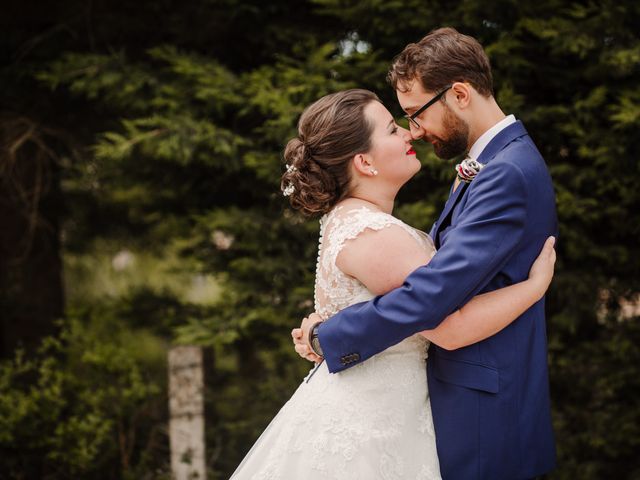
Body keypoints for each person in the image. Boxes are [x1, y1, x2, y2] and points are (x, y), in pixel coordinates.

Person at [230, 87, 556, 479]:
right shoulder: (374, 233)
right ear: (365, 162)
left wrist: (323, 332)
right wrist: (533, 288)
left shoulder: (352, 222)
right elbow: (450, 329)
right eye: (390, 129)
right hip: (372, 427)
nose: (408, 133)